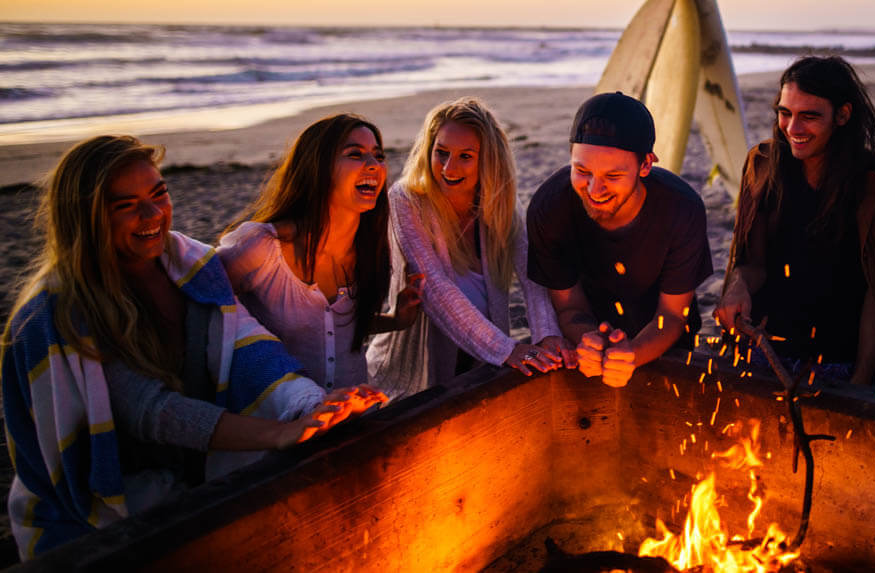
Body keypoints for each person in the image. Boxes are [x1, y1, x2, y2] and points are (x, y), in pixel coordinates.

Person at [1, 136, 373, 560]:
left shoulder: (190, 265)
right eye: (126, 205)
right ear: (86, 218)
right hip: (96, 511)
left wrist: (311, 404)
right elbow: (153, 410)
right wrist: (279, 432)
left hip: (188, 472)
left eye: (159, 193)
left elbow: (248, 346)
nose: (152, 214)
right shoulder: (54, 317)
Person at [715, 56, 875, 389]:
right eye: (784, 113)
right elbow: (752, 264)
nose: (793, 129)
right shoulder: (763, 165)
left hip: (840, 361)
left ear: (843, 115)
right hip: (764, 350)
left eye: (809, 116)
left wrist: (860, 380)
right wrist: (737, 285)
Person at [366, 98, 572, 398]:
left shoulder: (499, 204)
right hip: (408, 385)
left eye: (466, 156)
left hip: (480, 370)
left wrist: (547, 335)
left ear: (487, 160)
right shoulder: (406, 201)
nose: (449, 167)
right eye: (442, 153)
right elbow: (434, 287)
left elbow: (533, 274)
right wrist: (507, 349)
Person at [219, 114, 420, 390]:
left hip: (358, 419)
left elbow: (333, 331)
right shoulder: (261, 246)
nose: (374, 166)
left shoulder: (368, 248)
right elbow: (200, 306)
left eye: (378, 155)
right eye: (355, 154)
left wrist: (396, 320)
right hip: (283, 424)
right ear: (318, 168)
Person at [527, 92, 713, 388]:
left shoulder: (681, 208)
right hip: (586, 347)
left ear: (646, 165)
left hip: (664, 342)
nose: (594, 189)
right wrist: (590, 341)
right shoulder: (550, 207)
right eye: (582, 170)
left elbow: (673, 315)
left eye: (613, 175)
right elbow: (568, 307)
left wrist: (632, 355)